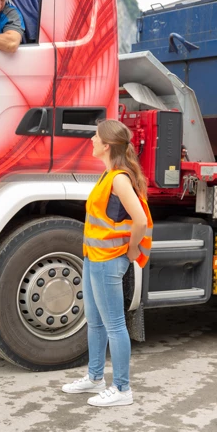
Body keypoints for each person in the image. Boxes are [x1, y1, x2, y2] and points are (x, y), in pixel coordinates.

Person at [61, 119, 153, 407]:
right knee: (96, 322)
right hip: (94, 258)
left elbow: (139, 219)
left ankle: (123, 390)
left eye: (96, 136)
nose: (91, 139)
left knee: (114, 325)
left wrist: (132, 248)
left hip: (108, 261)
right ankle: (95, 378)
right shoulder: (109, 175)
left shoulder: (119, 179)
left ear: (107, 145)